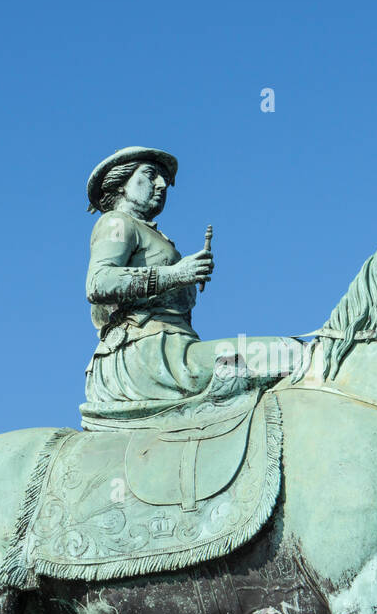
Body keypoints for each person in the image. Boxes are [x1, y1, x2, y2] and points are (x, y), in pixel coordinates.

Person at [81, 146, 302, 425]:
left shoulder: (152, 234)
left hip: (173, 346)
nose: (161, 185)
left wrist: (183, 277)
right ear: (121, 184)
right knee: (288, 352)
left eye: (164, 179)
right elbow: (98, 282)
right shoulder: (116, 222)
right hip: (148, 353)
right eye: (150, 175)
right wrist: (176, 274)